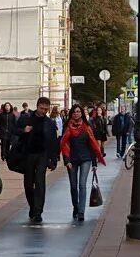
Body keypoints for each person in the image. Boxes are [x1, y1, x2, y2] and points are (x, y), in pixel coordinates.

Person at [16, 96, 59, 224]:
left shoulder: (50, 123)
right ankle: (32, 206)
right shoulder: (26, 118)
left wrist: (54, 159)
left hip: (42, 155)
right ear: (37, 106)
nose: (44, 111)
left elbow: (53, 142)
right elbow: (15, 131)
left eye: (46, 109)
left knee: (40, 183)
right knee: (28, 184)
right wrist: (24, 130)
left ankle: (38, 211)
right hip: (28, 154)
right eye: (42, 108)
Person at [60, 104, 106, 222]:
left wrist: (94, 164)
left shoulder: (87, 127)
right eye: (74, 112)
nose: (76, 114)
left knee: (82, 185)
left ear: (82, 114)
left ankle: (81, 211)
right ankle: (75, 207)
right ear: (71, 114)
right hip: (72, 160)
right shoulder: (67, 127)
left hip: (86, 159)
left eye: (78, 112)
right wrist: (67, 160)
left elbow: (93, 145)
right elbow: (64, 144)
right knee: (73, 186)